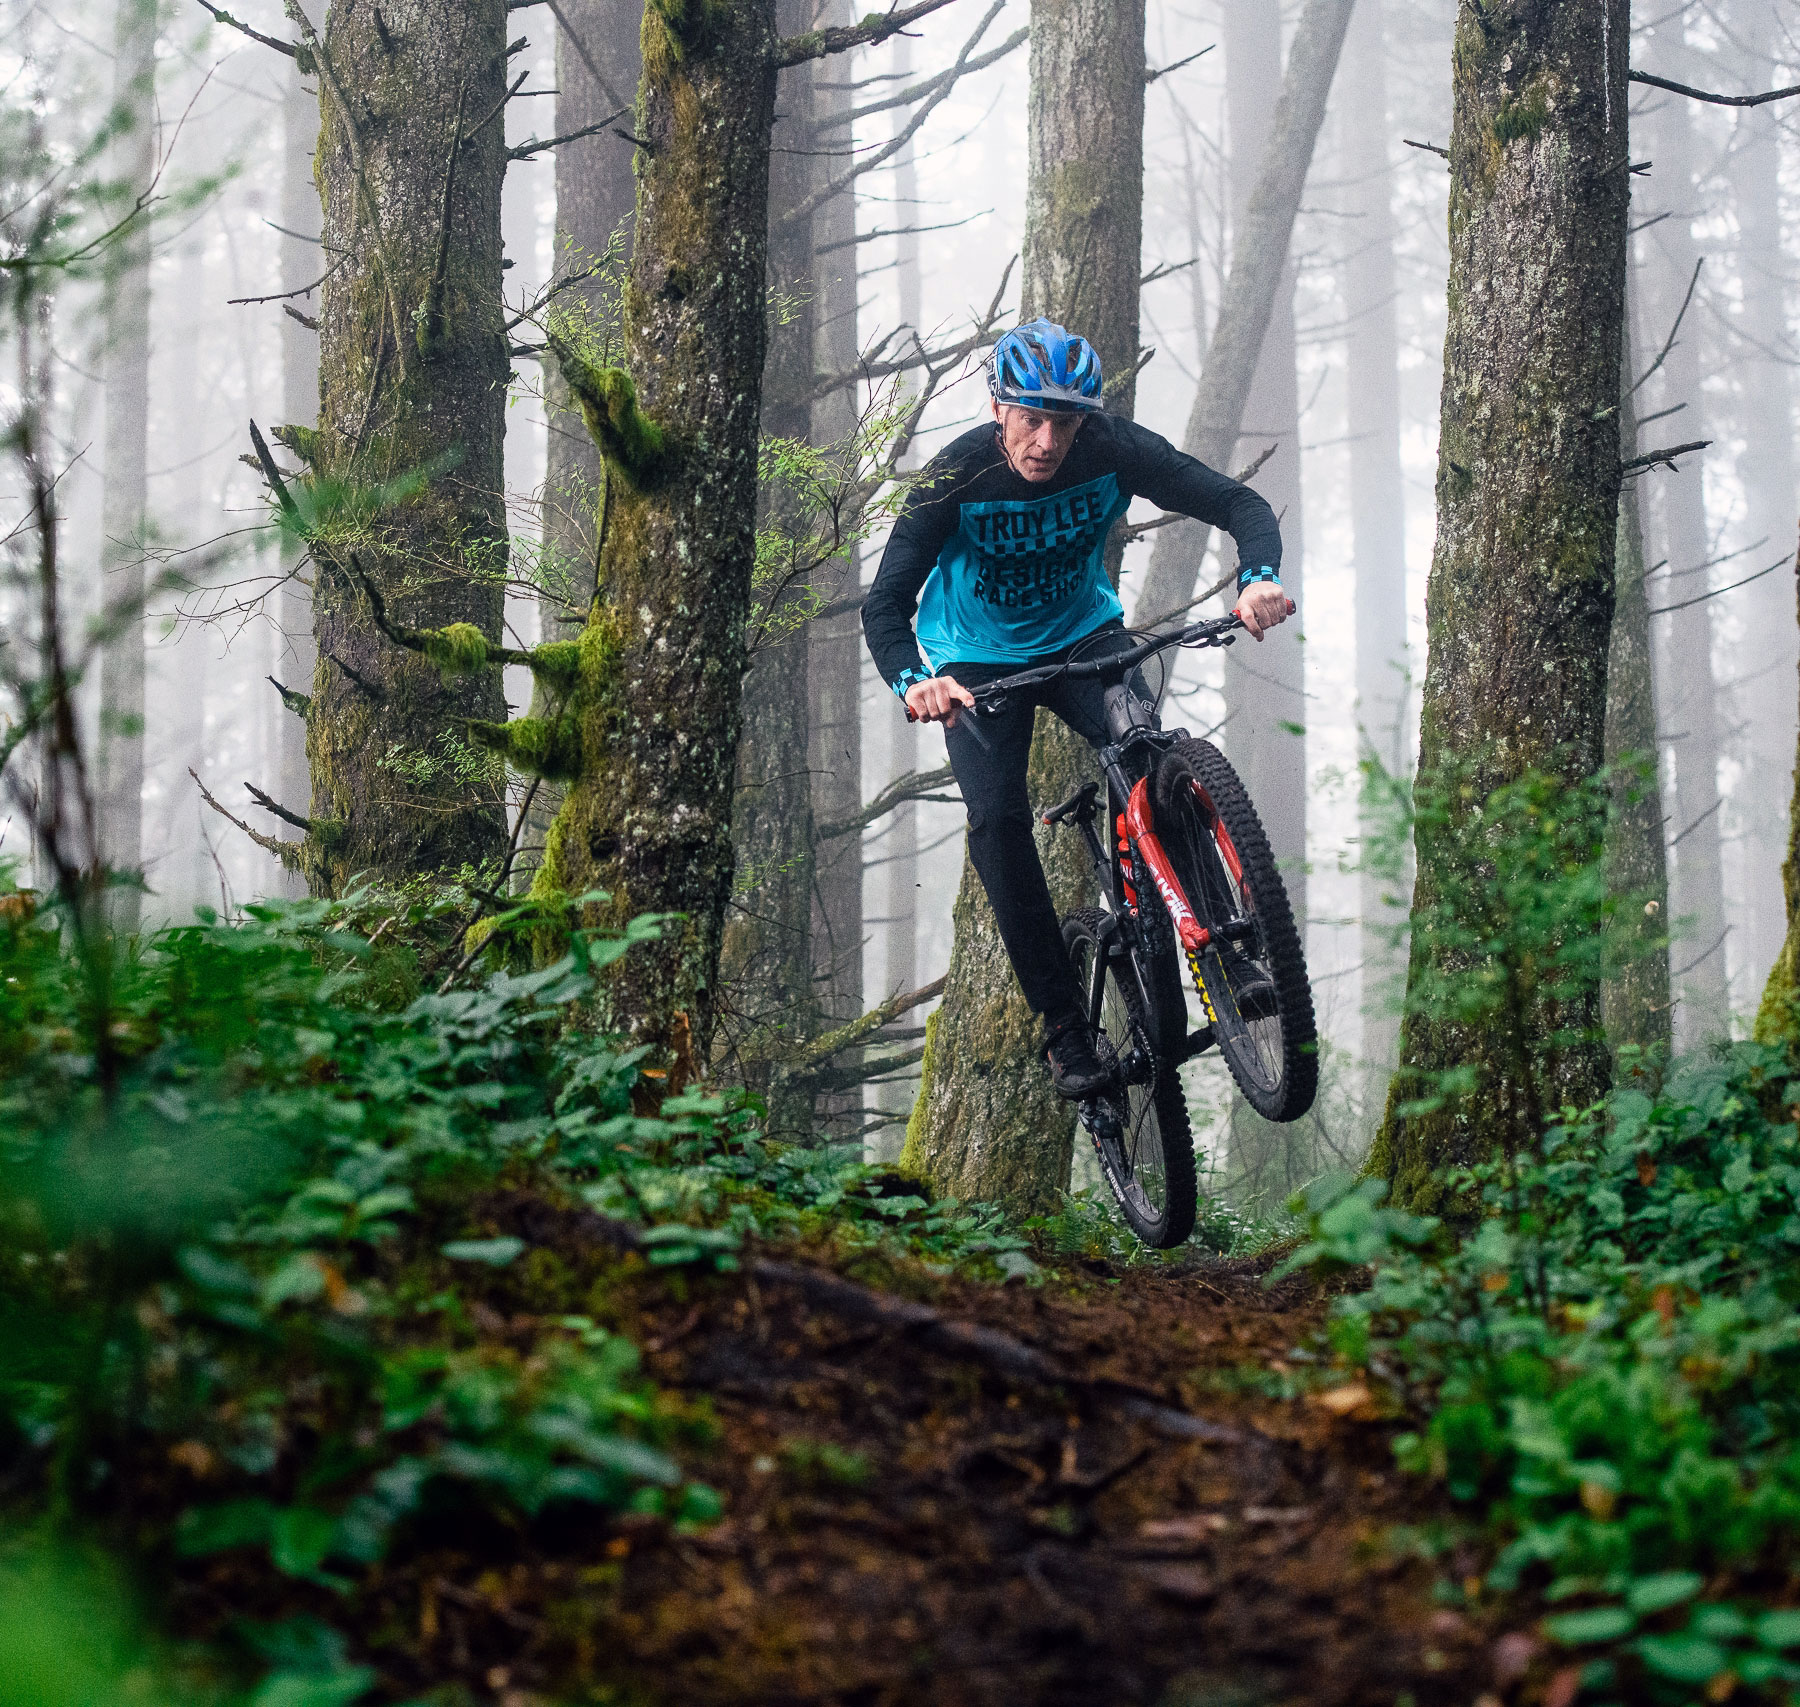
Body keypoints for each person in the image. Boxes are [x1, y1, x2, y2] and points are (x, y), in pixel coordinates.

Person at [861, 318, 1291, 1100]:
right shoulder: (954, 477)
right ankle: (1064, 1029)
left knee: (1152, 754)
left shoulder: (1112, 450)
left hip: (1082, 636)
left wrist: (1257, 575)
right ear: (998, 409)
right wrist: (912, 680)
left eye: (1065, 421)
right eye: (1030, 418)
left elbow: (1235, 501)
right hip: (974, 660)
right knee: (997, 822)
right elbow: (885, 602)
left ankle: (1228, 954)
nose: (1048, 440)